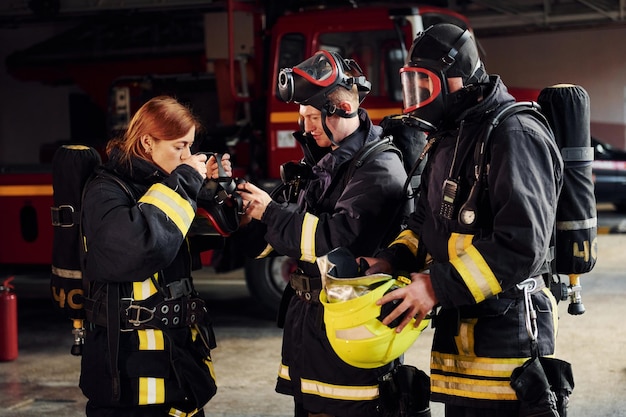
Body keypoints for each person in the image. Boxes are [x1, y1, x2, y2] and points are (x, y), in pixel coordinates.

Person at [363, 23, 564, 416]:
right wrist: (390, 260)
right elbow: (426, 221)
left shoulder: (513, 132)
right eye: (412, 83)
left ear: (455, 79)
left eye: (425, 83)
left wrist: (436, 287)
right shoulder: (452, 135)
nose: (417, 97)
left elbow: (522, 245)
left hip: (507, 349)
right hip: (461, 346)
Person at [235, 50, 409, 416]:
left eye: (313, 117)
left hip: (350, 332)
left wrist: (271, 211)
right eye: (303, 117)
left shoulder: (379, 167)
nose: (306, 127)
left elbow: (330, 242)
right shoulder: (323, 162)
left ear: (343, 109)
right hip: (312, 329)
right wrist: (248, 220)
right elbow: (282, 239)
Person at [79, 95, 232, 417]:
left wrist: (216, 190)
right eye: (180, 146)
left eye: (191, 146)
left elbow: (197, 236)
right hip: (130, 380)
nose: (188, 156)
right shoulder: (106, 190)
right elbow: (143, 247)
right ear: (147, 142)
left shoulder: (162, 185)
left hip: (180, 366)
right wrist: (187, 180)